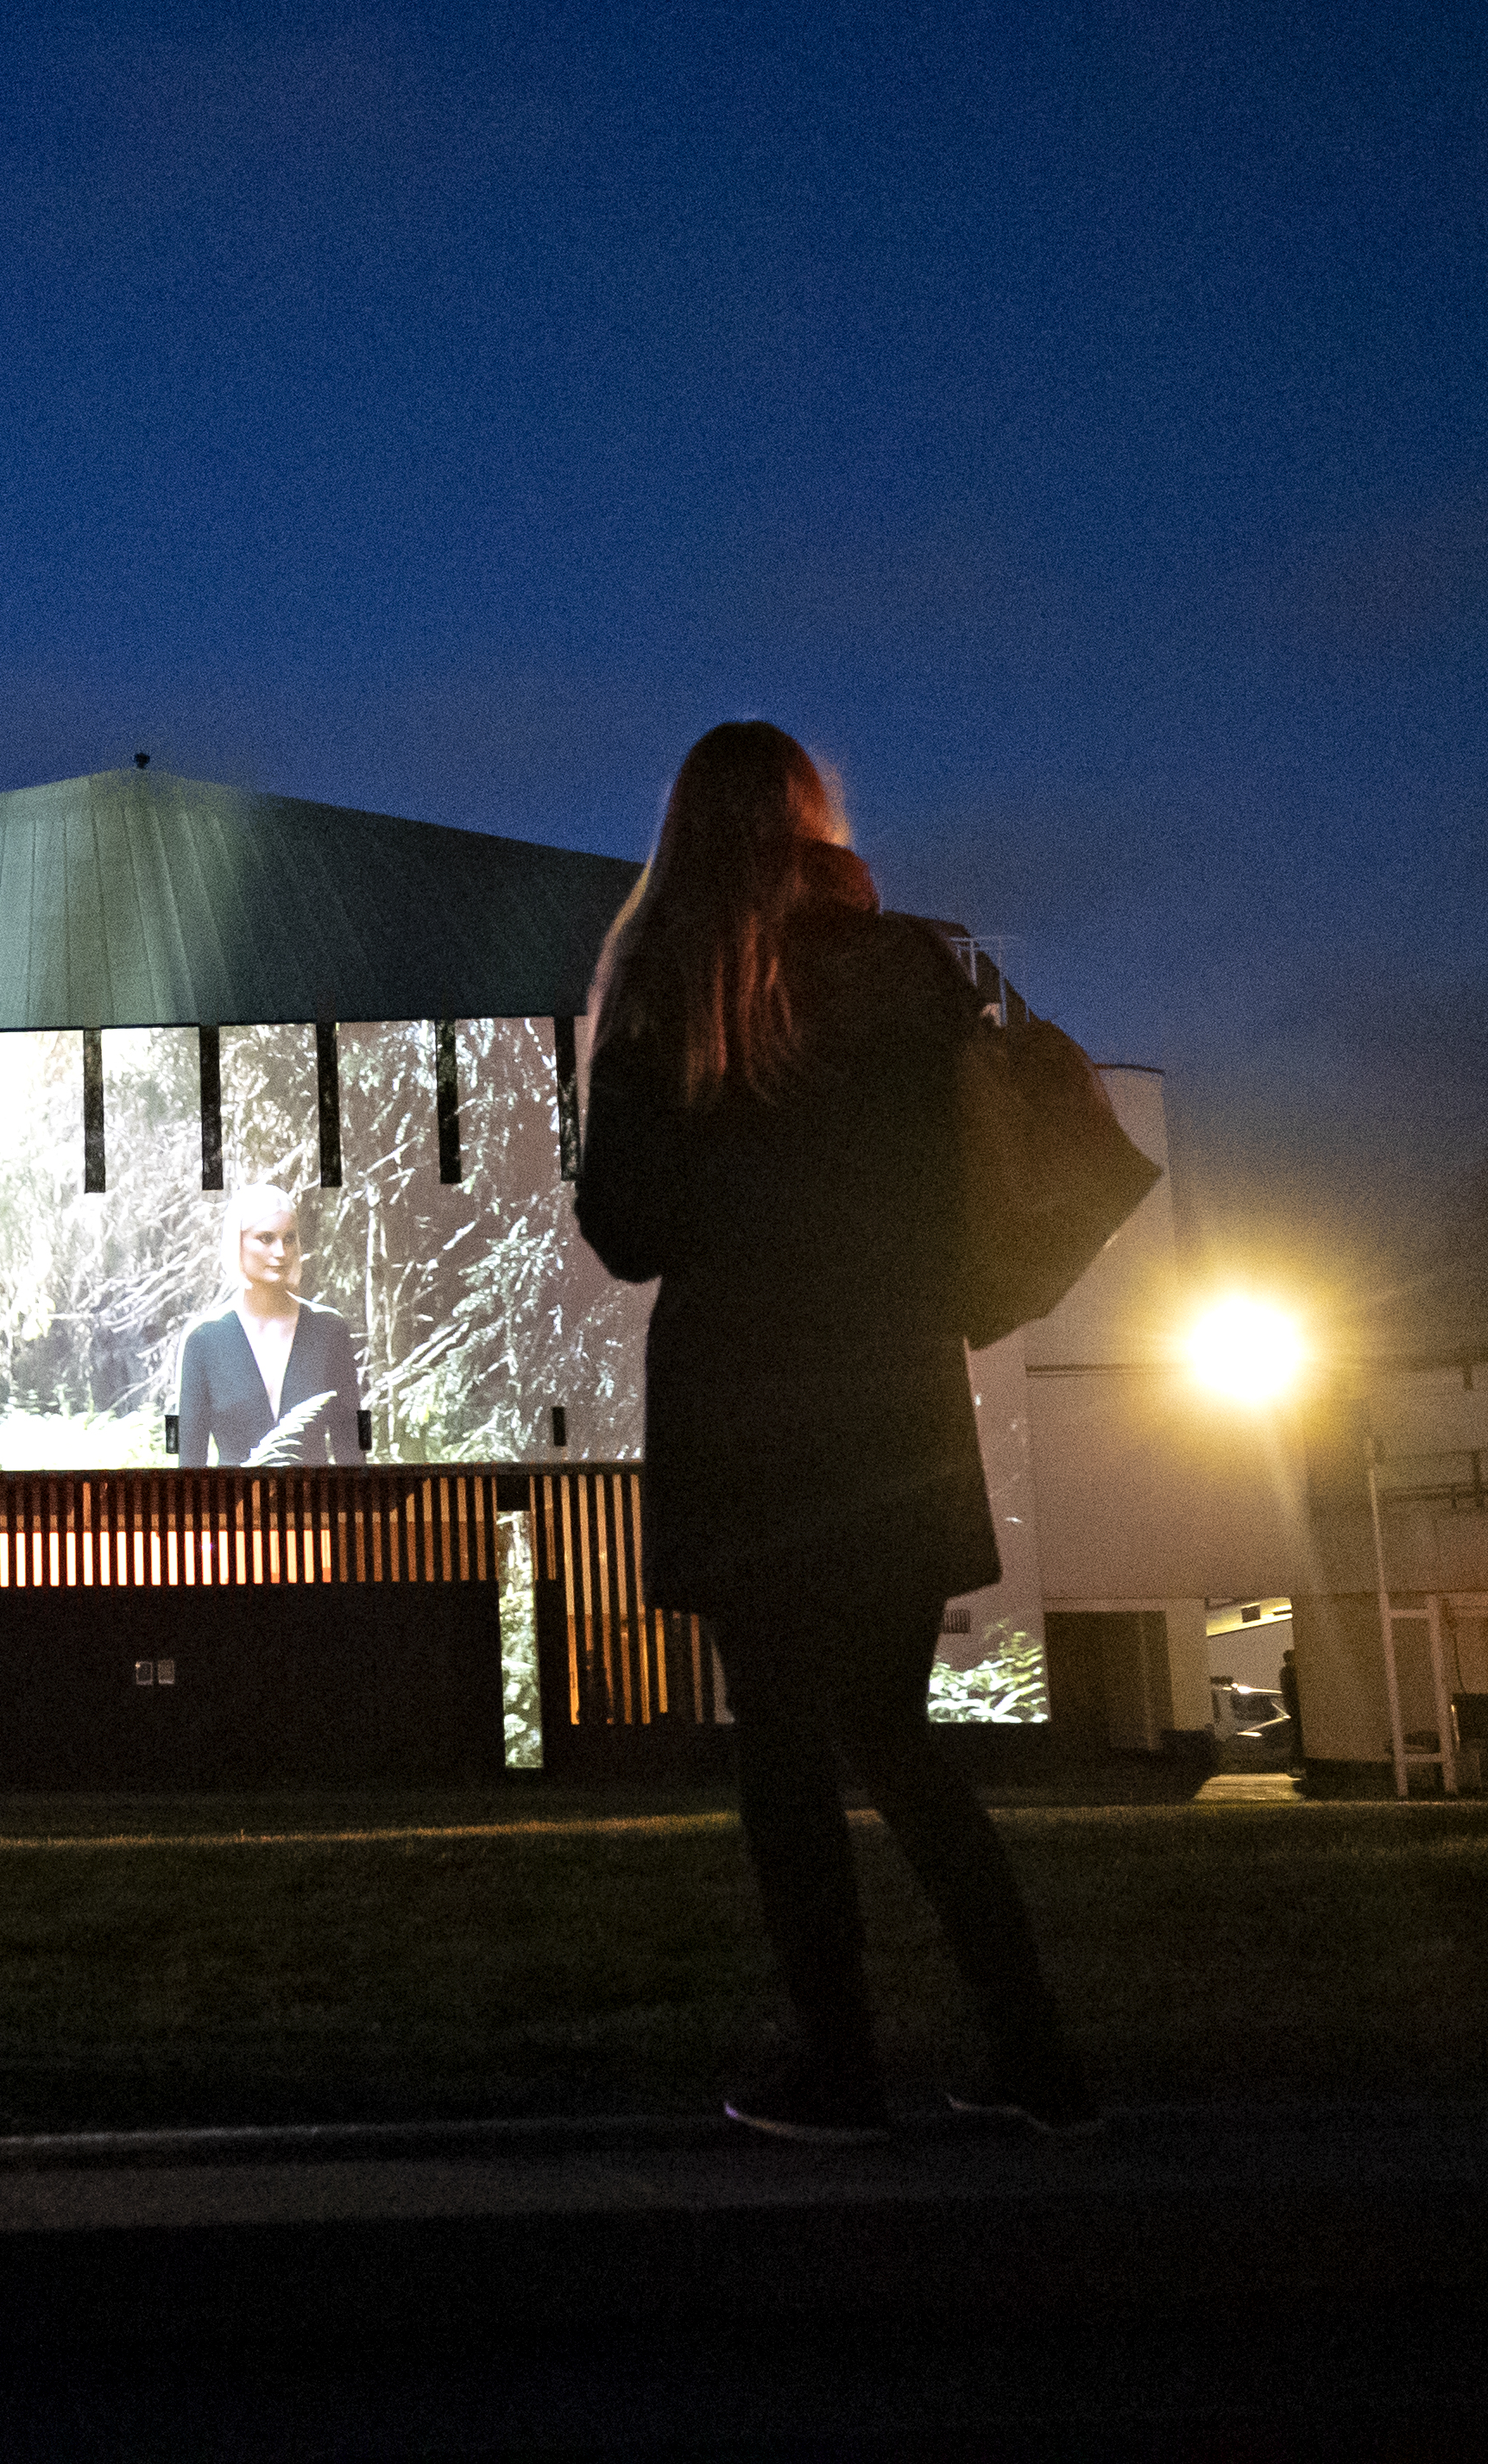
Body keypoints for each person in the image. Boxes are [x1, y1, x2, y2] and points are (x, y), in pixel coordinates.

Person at [570, 719, 1089, 2144]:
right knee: (896, 1734)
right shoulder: (911, 968)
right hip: (891, 1398)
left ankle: (839, 2062)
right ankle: (1035, 2050)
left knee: (784, 1748)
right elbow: (960, 1189)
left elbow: (622, 1224)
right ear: (813, 815)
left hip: (745, 1406)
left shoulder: (670, 982)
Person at [173, 1188, 367, 1463]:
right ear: (237, 1242)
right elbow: (190, 1461)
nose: (281, 1252)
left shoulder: (328, 1329)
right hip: (233, 1504)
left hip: (316, 1504)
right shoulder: (204, 1338)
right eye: (266, 1238)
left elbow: (350, 1450)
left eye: (289, 1239)